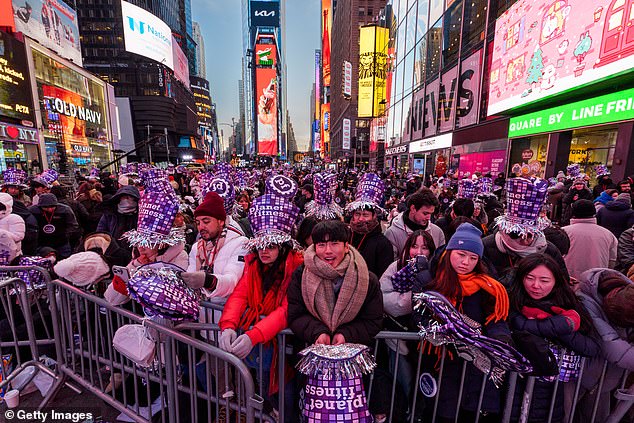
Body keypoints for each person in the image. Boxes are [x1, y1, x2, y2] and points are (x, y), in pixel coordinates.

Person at [218, 190, 303, 418]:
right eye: (260, 246)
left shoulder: (296, 267)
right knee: (262, 391)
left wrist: (253, 335)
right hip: (261, 346)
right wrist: (227, 325)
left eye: (271, 246)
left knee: (284, 400)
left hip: (285, 349)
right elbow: (239, 295)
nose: (264, 251)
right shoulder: (254, 264)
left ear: (283, 246)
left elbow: (287, 309)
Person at [415, 223, 511, 421]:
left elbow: (496, 320)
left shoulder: (488, 286)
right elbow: (418, 314)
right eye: (461, 254)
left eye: (473, 257)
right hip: (439, 360)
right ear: (450, 252)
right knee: (438, 413)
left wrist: (500, 339)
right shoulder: (431, 280)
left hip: (475, 364)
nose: (466, 262)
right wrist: (439, 332)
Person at [507, 254, 599, 423]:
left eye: (544, 280)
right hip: (512, 386)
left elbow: (592, 347)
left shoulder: (570, 306)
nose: (536, 286)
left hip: (553, 391)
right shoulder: (509, 301)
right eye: (530, 278)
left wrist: (560, 327)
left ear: (556, 281)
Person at [287, 219, 383, 346]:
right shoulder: (301, 275)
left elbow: (372, 321)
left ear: (346, 247)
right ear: (314, 248)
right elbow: (296, 315)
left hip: (352, 355)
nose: (328, 250)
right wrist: (318, 333)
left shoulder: (366, 279)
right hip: (311, 350)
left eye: (334, 243)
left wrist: (346, 334)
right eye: (321, 244)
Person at [379, 229, 435, 412]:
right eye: (414, 246)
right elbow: (383, 295)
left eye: (425, 248)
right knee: (403, 380)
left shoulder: (435, 270)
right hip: (399, 336)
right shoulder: (396, 266)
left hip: (428, 342)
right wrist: (410, 300)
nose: (419, 252)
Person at [483, 178, 568, 286]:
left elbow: (562, 286)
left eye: (529, 234)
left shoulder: (549, 250)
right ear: (506, 230)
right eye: (516, 234)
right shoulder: (487, 246)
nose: (524, 240)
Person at [576, 268, 634, 422]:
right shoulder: (584, 301)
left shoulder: (628, 296)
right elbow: (611, 345)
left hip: (604, 379)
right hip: (581, 377)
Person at [562, 200, 617, 281]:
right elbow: (612, 261)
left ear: (573, 213)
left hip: (567, 282)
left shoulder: (563, 232)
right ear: (593, 213)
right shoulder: (608, 234)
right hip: (596, 282)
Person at [385, 188, 445, 259]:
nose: (428, 218)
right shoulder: (392, 233)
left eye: (431, 214)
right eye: (425, 213)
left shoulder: (437, 232)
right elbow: (391, 265)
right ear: (413, 208)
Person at [29, 193, 79, 258]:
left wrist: (65, 235)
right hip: (41, 243)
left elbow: (73, 225)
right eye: (46, 207)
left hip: (61, 243)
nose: (50, 209)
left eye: (52, 206)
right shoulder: (32, 211)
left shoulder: (65, 210)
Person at [96, 185, 139, 252]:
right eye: (125, 197)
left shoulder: (140, 215)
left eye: (131, 198)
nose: (127, 201)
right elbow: (100, 233)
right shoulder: (109, 214)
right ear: (119, 199)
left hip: (135, 251)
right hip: (113, 251)